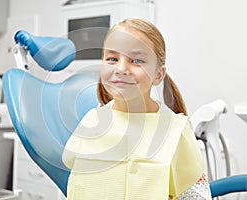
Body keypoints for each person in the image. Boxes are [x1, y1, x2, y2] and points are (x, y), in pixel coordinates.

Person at [62, 18, 212, 199]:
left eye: (136, 60)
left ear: (158, 75)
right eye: (112, 59)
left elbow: (195, 194)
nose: (121, 68)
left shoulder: (174, 130)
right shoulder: (91, 123)